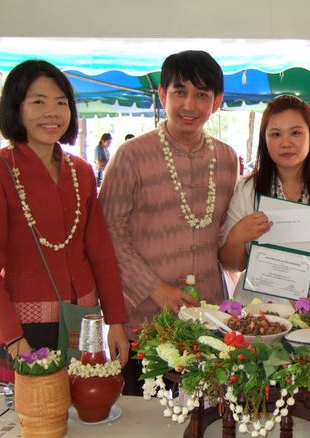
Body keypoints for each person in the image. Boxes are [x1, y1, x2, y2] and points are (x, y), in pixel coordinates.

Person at [0, 60, 129, 384]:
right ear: (16, 108)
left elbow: (101, 253)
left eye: (61, 102)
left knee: (89, 407)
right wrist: (14, 341)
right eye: (38, 102)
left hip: (85, 323)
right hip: (24, 330)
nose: (52, 113)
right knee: (34, 413)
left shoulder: (81, 171)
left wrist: (116, 321)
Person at [98, 50, 238, 395]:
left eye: (201, 94)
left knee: (204, 416)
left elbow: (223, 231)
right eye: (179, 92)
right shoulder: (130, 156)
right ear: (163, 95)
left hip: (208, 323)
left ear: (217, 102)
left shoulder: (227, 159)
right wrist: (154, 288)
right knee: (142, 419)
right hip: (144, 320)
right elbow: (108, 233)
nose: (189, 104)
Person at [219, 95, 310, 306]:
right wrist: (236, 237)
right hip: (253, 314)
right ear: (265, 141)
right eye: (275, 134)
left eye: (296, 133)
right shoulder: (247, 190)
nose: (286, 143)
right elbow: (232, 265)